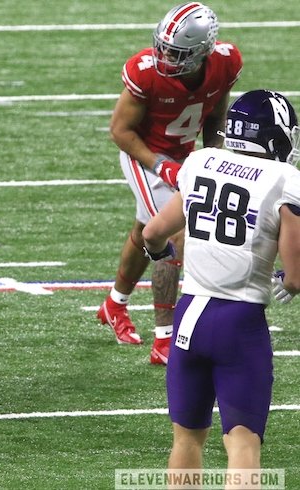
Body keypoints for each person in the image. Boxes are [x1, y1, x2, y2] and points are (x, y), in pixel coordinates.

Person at [142, 90, 300, 478]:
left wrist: (161, 254)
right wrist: (289, 283)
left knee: (186, 439)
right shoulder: (284, 178)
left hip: (189, 317)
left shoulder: (200, 161)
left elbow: (153, 233)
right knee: (242, 443)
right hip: (239, 321)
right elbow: (295, 274)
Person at [96, 2, 242, 365]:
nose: (163, 56)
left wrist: (215, 156)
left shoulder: (224, 62)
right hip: (143, 154)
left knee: (146, 230)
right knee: (173, 235)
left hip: (183, 156)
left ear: (202, 52)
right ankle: (165, 339)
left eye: (175, 53)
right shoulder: (145, 73)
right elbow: (120, 131)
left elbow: (216, 114)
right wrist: (162, 167)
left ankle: (114, 304)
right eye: (162, 46)